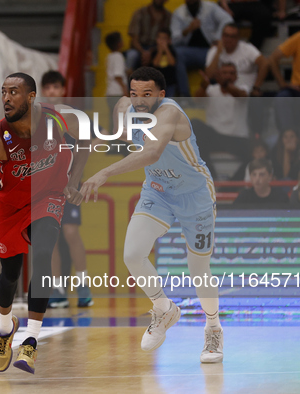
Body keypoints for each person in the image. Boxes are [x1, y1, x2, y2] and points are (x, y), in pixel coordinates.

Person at [81, 67, 223, 363]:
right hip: (157, 191)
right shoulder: (125, 106)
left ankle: (213, 328)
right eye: (134, 94)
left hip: (194, 196)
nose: (139, 101)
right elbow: (119, 133)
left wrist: (105, 172)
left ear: (161, 94)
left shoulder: (170, 114)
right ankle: (163, 309)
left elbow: (151, 152)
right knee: (132, 255)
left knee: (199, 271)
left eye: (146, 95)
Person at [0, 73, 87, 374]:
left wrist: (74, 180)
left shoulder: (58, 120)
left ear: (31, 97)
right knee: (10, 274)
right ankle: (5, 328)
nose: (6, 98)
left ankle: (31, 339)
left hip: (49, 195)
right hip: (11, 205)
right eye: (3, 92)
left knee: (42, 251)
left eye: (14, 92)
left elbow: (83, 142)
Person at [39, 70, 93, 309]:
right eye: (47, 87)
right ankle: (57, 289)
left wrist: (75, 180)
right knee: (51, 237)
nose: (51, 91)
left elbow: (91, 141)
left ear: (63, 90)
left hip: (70, 182)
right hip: (46, 185)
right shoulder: (37, 116)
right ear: (42, 91)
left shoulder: (73, 116)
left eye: (55, 87)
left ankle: (83, 285)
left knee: (71, 233)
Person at [193, 62, 251, 178]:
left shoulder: (243, 87)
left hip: (237, 138)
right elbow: (196, 100)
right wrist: (203, 86)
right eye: (224, 73)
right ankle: (211, 177)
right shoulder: (211, 90)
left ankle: (231, 186)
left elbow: (240, 95)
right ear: (219, 74)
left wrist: (224, 83)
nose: (228, 76)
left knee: (255, 155)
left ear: (236, 77)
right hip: (216, 137)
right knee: (194, 124)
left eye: (231, 73)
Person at [171, 0, 233, 97]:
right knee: (177, 53)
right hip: (189, 52)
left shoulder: (210, 8)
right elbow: (174, 41)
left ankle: (215, 93)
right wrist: (188, 30)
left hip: (210, 50)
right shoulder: (179, 13)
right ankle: (184, 96)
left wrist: (217, 39)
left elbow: (227, 20)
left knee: (219, 53)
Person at [205, 23, 269, 95]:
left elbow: (264, 64)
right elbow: (209, 75)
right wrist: (218, 53)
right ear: (222, 36)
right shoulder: (214, 50)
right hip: (223, 93)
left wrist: (256, 87)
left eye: (232, 36)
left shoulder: (247, 48)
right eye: (226, 36)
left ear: (238, 38)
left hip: (244, 93)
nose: (229, 39)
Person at [125, 0, 172, 71]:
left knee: (170, 57)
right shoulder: (140, 13)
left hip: (157, 48)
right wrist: (144, 52)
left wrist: (151, 52)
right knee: (132, 55)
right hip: (139, 48)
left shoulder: (168, 16)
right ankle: (127, 80)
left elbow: (168, 39)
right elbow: (134, 40)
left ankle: (167, 82)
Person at [150, 29, 178, 98]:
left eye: (164, 38)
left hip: (170, 82)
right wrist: (160, 52)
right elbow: (155, 64)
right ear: (156, 39)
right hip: (158, 83)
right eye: (160, 38)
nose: (162, 41)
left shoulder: (172, 51)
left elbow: (172, 63)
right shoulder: (154, 51)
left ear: (169, 40)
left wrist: (166, 49)